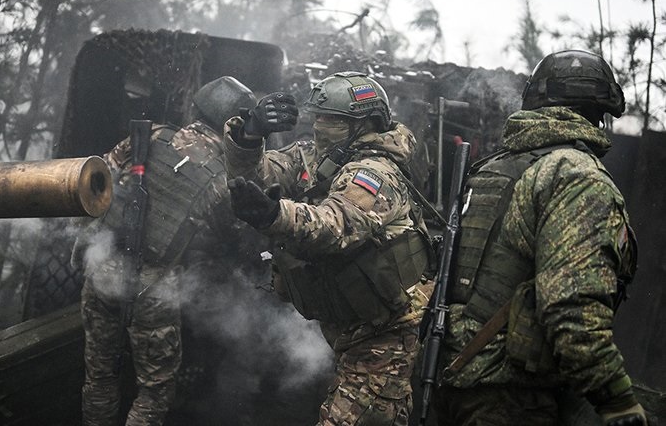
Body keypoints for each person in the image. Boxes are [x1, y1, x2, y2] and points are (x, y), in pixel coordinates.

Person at [432, 49, 645, 426]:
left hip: (452, 379)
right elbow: (572, 306)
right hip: (512, 395)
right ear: (600, 112)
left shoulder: (494, 167)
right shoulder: (576, 175)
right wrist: (616, 400)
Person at [224, 71, 433, 426]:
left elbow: (338, 224)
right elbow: (260, 178)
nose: (321, 126)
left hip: (386, 331)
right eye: (318, 117)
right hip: (347, 325)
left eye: (334, 120)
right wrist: (249, 135)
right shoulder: (315, 156)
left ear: (366, 123)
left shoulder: (376, 171)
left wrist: (277, 214)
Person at [72, 76, 256, 426]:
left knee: (99, 377)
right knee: (154, 392)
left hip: (102, 270)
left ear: (197, 108)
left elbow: (103, 178)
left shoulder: (151, 136)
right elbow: (229, 242)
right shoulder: (222, 180)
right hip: (153, 291)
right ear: (235, 127)